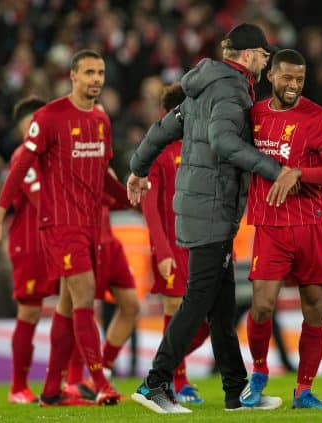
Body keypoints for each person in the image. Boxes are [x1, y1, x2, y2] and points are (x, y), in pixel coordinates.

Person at [127, 23, 299, 413]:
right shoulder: (230, 88)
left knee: (221, 308)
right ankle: (155, 383)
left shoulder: (203, 85)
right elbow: (223, 142)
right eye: (264, 54)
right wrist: (275, 170)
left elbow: (163, 129)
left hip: (200, 205)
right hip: (211, 207)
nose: (266, 60)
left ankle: (235, 391)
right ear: (249, 54)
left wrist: (137, 168)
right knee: (199, 299)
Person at [0, 49, 123, 406]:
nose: (96, 78)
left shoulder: (102, 121)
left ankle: (50, 390)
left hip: (89, 225)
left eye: (100, 72)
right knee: (83, 296)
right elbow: (18, 170)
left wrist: (131, 196)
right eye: (88, 72)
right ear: (72, 76)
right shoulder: (49, 117)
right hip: (59, 225)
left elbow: (105, 177)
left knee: (66, 304)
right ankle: (98, 382)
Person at [239, 49, 322, 409]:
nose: (293, 85)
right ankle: (258, 373)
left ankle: (304, 390)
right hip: (271, 225)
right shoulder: (252, 114)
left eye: (299, 79)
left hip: (312, 226)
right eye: (286, 78)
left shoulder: (318, 118)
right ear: (270, 75)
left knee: (315, 308)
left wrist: (300, 172)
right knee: (261, 307)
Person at [140, 82, 209, 404]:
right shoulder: (157, 150)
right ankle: (177, 380)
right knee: (175, 311)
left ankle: (162, 367)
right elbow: (149, 206)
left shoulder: (203, 146)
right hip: (172, 245)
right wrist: (162, 250)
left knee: (209, 318)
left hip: (202, 244)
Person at [4, 97, 56, 404]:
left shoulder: (47, 154)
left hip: (51, 241)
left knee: (72, 303)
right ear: (26, 124)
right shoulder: (23, 155)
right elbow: (40, 198)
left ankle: (68, 381)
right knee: (30, 311)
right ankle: (17, 387)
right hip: (29, 243)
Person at [65, 196, 141, 400]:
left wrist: (134, 199)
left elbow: (113, 196)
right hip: (82, 239)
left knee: (131, 305)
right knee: (79, 306)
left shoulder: (103, 165)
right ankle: (74, 380)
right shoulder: (76, 165)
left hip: (109, 243)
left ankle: (103, 374)